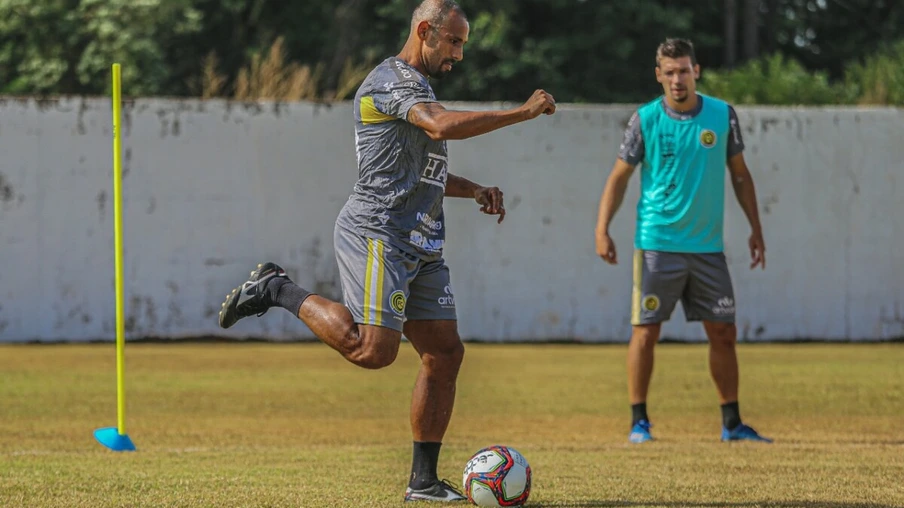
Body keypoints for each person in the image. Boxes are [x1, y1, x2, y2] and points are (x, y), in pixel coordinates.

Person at [217, 0, 556, 502]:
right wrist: (520, 113)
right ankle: (276, 288)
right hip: (379, 233)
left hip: (422, 241)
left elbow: (425, 171)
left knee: (444, 353)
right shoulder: (391, 80)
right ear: (426, 31)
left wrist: (476, 189)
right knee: (374, 350)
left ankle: (422, 482)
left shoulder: (420, 88)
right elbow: (440, 127)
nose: (459, 54)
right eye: (455, 41)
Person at [594, 38, 772, 444]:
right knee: (646, 331)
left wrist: (755, 228)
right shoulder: (645, 120)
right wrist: (602, 228)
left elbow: (740, 175)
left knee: (724, 333)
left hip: (708, 248)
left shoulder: (722, 115)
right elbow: (619, 177)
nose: (677, 78)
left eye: (684, 70)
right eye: (669, 71)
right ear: (659, 75)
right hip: (657, 244)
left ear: (697, 70)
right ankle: (639, 421)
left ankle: (732, 424)